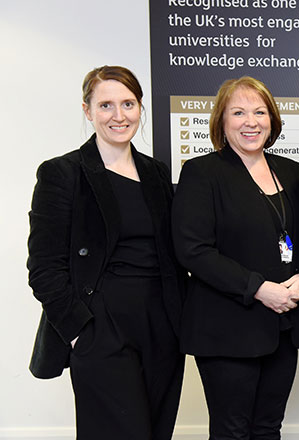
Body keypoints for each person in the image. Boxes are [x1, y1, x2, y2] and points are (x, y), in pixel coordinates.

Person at [27, 65, 185, 439]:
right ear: (87, 110)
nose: (119, 115)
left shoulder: (156, 173)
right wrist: (80, 331)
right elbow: (44, 267)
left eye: (128, 104)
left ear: (140, 107)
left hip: (162, 326)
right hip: (100, 327)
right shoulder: (62, 173)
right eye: (106, 105)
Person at [172, 76, 299, 439]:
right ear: (222, 121)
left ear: (272, 119)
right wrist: (259, 288)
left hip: (284, 324)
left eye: (259, 112)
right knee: (232, 431)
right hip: (227, 327)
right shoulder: (201, 172)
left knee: (268, 428)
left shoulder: (293, 173)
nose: (251, 122)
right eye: (238, 113)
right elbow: (193, 250)